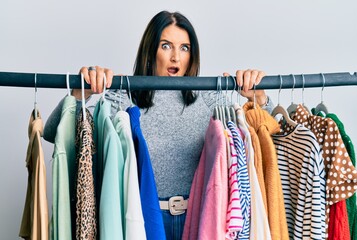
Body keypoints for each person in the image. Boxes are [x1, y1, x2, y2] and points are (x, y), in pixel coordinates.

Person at [44, 10, 272, 240]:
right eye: (166, 46)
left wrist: (261, 99)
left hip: (200, 217)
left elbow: (270, 135)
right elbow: (54, 133)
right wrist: (79, 93)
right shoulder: (125, 95)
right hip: (143, 219)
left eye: (184, 48)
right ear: (150, 50)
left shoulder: (208, 96)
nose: (176, 57)